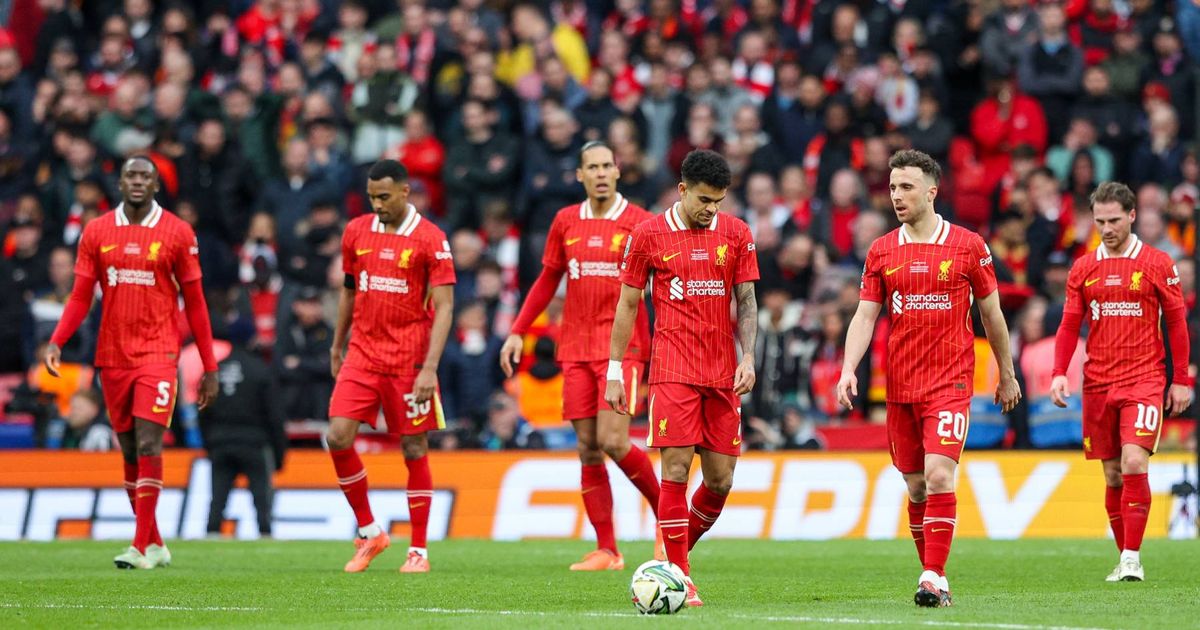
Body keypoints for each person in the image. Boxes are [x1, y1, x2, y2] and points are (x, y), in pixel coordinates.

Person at [836, 149, 1021, 608]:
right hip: (900, 386)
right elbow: (864, 316)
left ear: (932, 192)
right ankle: (934, 580)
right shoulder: (881, 250)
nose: (896, 195)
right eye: (893, 187)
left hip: (951, 383)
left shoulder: (969, 246)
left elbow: (992, 315)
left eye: (907, 187)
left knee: (940, 476)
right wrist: (847, 369)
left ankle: (933, 575)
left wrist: (1007, 374)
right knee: (916, 486)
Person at [44, 155, 219, 569]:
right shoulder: (97, 231)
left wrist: (209, 366)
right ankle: (155, 542)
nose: (138, 182)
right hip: (113, 355)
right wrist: (57, 340)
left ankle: (139, 547)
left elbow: (195, 303)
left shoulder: (177, 232)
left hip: (159, 353)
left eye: (146, 176)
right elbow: (81, 296)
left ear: (156, 185)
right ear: (120, 183)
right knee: (127, 451)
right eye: (131, 175)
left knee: (147, 443)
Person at [606, 149, 760, 607]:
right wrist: (615, 371)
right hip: (672, 369)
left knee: (720, 481)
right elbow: (628, 305)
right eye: (703, 199)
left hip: (722, 373)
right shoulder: (649, 234)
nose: (711, 209)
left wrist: (747, 356)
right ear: (682, 190)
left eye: (718, 201)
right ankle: (680, 574)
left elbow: (747, 302)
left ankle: (670, 558)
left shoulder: (737, 234)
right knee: (675, 469)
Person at [499, 140, 660, 571]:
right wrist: (518, 330)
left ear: (618, 171)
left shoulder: (641, 224)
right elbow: (548, 279)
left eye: (608, 165)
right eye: (594, 167)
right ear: (580, 175)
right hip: (575, 347)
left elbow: (659, 289)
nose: (602, 173)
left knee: (613, 440)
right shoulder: (565, 221)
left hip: (622, 349)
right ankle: (608, 549)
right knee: (588, 449)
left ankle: (669, 515)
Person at [1049, 181, 1192, 582]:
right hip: (1097, 383)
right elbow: (1069, 324)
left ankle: (1131, 556)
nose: (1107, 228)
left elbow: (1178, 325)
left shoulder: (1158, 263)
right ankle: (1125, 557)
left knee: (1133, 461)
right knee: (1112, 474)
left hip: (1145, 378)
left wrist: (1180, 380)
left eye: (1114, 220)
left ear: (1131, 216)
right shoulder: (1083, 267)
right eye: (1100, 221)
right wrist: (1060, 372)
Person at [327, 160, 455, 574]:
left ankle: (418, 550)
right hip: (363, 354)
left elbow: (446, 305)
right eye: (371, 197)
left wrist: (429, 368)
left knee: (413, 447)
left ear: (405, 192)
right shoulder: (356, 232)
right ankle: (369, 532)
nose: (377, 204)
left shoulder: (431, 239)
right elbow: (349, 291)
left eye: (384, 197)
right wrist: (337, 342)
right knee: (338, 436)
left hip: (408, 360)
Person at [201, 318, 286, 539]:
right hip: (254, 442)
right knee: (261, 498)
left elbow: (202, 411)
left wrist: (209, 444)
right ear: (251, 338)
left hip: (221, 441)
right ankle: (265, 533)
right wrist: (279, 453)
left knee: (217, 497)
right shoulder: (260, 370)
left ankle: (211, 534)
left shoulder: (214, 371)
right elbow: (275, 416)